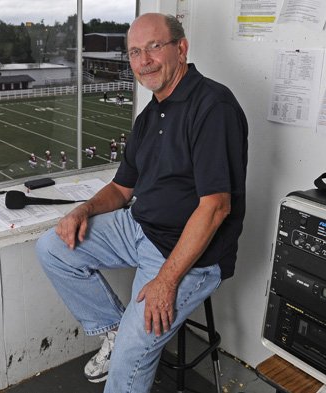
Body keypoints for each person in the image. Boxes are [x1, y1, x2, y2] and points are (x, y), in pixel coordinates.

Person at [36, 13, 248, 393]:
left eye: (154, 46)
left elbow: (216, 207)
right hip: (139, 227)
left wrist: (166, 281)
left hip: (187, 254)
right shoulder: (151, 114)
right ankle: (115, 329)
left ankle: (127, 342)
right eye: (135, 51)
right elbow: (121, 189)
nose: (144, 59)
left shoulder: (213, 106)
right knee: (53, 247)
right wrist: (83, 210)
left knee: (133, 352)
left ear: (181, 49)